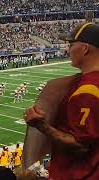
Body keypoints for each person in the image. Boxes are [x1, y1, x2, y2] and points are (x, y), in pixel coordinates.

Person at [23, 23, 99, 179]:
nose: (68, 50)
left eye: (71, 45)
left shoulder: (88, 89)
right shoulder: (82, 83)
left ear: (85, 49)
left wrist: (42, 125)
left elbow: (81, 145)